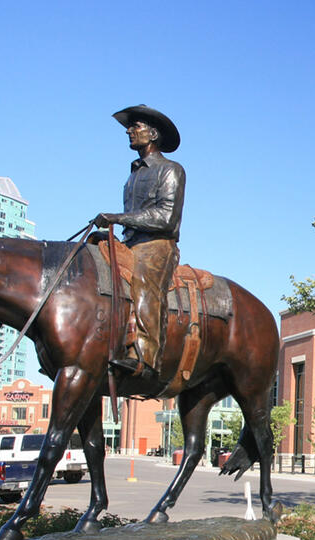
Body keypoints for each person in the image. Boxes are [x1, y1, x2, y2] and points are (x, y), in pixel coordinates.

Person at [91, 105, 185, 381]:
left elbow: (166, 217)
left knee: (145, 281)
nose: (130, 131)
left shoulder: (171, 170)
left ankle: (145, 355)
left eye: (136, 126)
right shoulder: (133, 175)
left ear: (153, 133)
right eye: (129, 128)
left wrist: (118, 218)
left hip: (157, 245)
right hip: (130, 242)